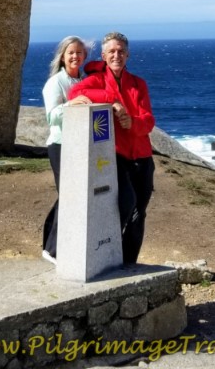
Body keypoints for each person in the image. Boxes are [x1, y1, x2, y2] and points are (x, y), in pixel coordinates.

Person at [69, 31, 155, 265]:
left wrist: (133, 122)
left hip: (144, 157)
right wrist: (112, 100)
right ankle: (107, 255)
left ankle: (129, 263)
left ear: (127, 55)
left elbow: (149, 120)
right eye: (112, 51)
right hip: (117, 155)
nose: (117, 55)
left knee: (140, 213)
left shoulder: (138, 83)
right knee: (126, 204)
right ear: (104, 55)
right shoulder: (96, 79)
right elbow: (76, 92)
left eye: (121, 51)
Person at [40, 35, 89, 262]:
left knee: (71, 195)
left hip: (81, 145)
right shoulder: (55, 83)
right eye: (71, 52)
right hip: (60, 145)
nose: (75, 56)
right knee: (69, 196)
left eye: (79, 53)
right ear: (62, 56)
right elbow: (52, 117)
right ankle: (52, 250)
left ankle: (51, 243)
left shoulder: (86, 79)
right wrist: (71, 104)